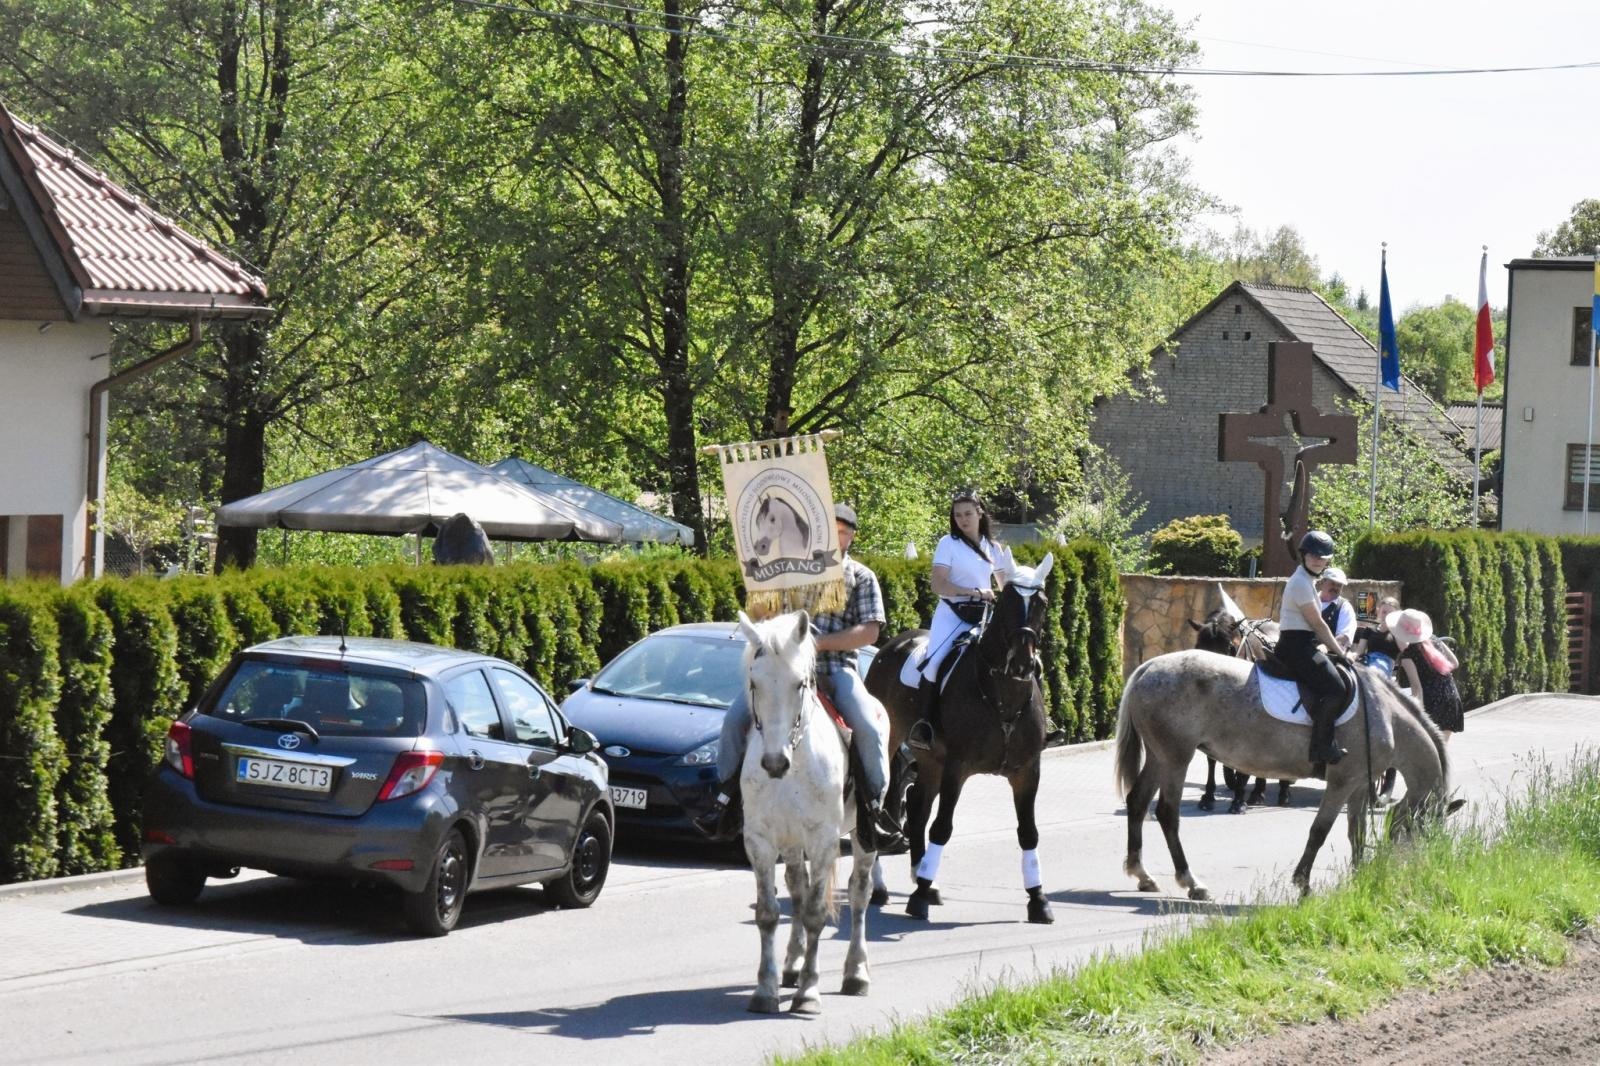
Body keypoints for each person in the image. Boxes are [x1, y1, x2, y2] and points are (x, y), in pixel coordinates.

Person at [693, 502, 906, 851]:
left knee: (867, 726)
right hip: (784, 670)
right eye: (829, 528)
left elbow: (869, 632)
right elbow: (761, 615)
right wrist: (759, 591)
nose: (835, 535)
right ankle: (726, 803)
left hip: (836, 669)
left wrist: (817, 645)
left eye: (841, 530)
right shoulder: (787, 572)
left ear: (851, 536)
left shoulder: (861, 576)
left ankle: (873, 813)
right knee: (733, 721)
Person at [906, 489, 1002, 751]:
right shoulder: (948, 543)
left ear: (980, 513)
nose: (963, 519)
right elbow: (938, 584)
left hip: (984, 616)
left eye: (968, 514)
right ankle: (924, 725)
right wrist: (972, 592)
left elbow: (1006, 584)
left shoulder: (994, 548)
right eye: (958, 515)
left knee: (1017, 656)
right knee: (934, 662)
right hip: (953, 614)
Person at [1277, 530, 1351, 769]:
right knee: (1336, 689)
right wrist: (1341, 653)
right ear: (1304, 555)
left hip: (1303, 644)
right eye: (1313, 555)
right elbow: (1318, 624)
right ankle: (1321, 746)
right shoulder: (1300, 583)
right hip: (1296, 647)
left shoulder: (1308, 581)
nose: (1318, 560)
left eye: (1323, 556)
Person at [1389, 607, 1463, 741]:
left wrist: (1419, 717)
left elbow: (1417, 689)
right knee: (1442, 750)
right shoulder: (1434, 639)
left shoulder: (1408, 655)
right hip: (1451, 697)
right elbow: (1455, 663)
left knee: (1431, 752)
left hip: (1432, 702)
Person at [1317, 567, 1356, 652]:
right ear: (1322, 582)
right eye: (1333, 583)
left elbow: (1344, 636)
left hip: (1329, 655)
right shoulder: (1310, 601)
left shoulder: (1344, 607)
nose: (1335, 588)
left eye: (1339, 585)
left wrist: (1326, 647)